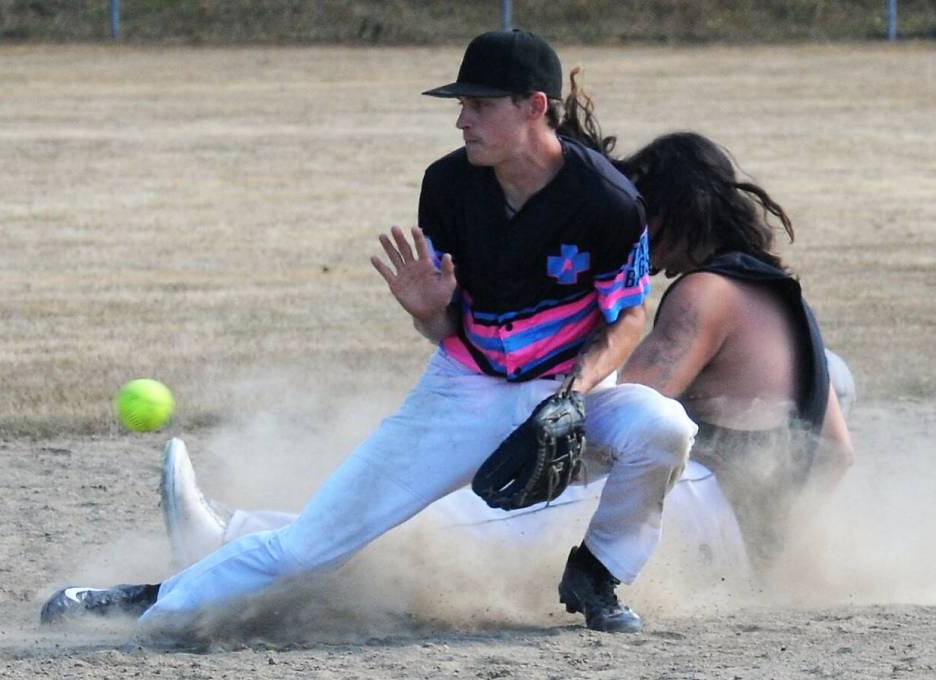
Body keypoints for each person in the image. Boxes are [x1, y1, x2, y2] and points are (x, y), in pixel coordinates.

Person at [40, 30, 696, 635]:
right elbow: (449, 330)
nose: (461, 119)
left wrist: (575, 393)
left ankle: (597, 576)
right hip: (465, 392)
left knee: (663, 427)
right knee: (310, 546)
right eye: (461, 104)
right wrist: (427, 310)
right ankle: (148, 602)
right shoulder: (448, 186)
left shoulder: (607, 203)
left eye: (478, 104)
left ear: (534, 106)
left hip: (570, 394)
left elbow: (628, 316)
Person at [615, 131, 855, 568]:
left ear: (678, 209)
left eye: (642, 215)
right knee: (835, 371)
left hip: (708, 522)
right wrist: (776, 543)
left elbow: (626, 409)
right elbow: (836, 452)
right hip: (755, 535)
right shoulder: (781, 294)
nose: (636, 236)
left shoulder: (704, 294)